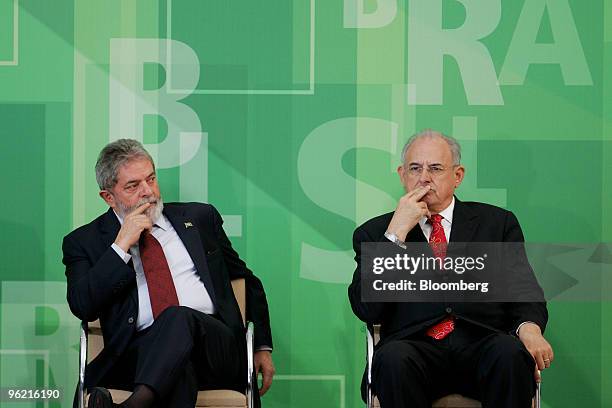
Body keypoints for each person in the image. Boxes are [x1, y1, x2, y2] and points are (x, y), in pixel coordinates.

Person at [63, 139, 275, 408]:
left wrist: (261, 347)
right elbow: (82, 304)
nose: (148, 192)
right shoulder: (85, 241)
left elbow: (247, 281)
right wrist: (121, 246)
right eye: (133, 186)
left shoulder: (199, 219)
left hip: (213, 347)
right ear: (108, 197)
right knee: (177, 368)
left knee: (177, 317)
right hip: (140, 354)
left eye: (151, 179)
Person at [348, 130, 553, 408]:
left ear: (458, 176)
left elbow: (523, 288)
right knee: (393, 358)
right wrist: (395, 236)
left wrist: (529, 327)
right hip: (413, 349)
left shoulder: (497, 224)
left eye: (435, 168)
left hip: (482, 344)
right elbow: (367, 310)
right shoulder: (374, 233)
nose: (424, 178)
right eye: (415, 168)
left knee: (509, 353)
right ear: (401, 175)